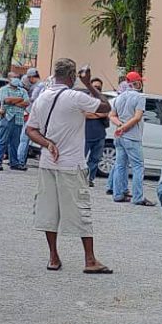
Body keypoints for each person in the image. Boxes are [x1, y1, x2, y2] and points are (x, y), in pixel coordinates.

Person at [25, 59, 113, 274]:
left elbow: (30, 130)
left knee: (49, 211)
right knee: (82, 210)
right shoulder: (75, 96)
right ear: (73, 76)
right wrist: (90, 84)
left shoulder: (42, 97)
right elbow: (105, 107)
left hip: (47, 162)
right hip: (72, 164)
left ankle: (53, 257)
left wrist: (48, 144)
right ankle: (90, 259)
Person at [111, 71, 153, 205]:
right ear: (136, 83)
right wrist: (125, 128)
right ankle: (138, 197)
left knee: (120, 166)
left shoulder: (118, 97)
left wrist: (120, 126)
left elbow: (111, 115)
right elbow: (137, 117)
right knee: (138, 166)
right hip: (133, 137)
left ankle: (118, 194)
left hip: (119, 136)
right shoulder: (140, 97)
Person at [0, 77, 29, 171]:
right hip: (6, 117)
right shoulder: (4, 89)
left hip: (18, 119)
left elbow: (26, 102)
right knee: (2, 141)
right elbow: (5, 100)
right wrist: (19, 99)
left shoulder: (23, 90)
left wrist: (13, 102)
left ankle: (14, 163)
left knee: (15, 142)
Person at [17, 68, 45, 166]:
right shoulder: (43, 85)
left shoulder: (38, 86)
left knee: (24, 139)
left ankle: (20, 160)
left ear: (31, 77)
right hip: (40, 116)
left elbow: (32, 100)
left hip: (32, 115)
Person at [84, 77, 108, 187]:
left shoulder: (103, 100)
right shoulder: (85, 99)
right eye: (95, 87)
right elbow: (84, 114)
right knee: (81, 158)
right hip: (85, 134)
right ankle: (79, 178)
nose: (97, 89)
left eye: (99, 87)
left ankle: (90, 179)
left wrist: (93, 114)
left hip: (100, 135)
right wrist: (98, 114)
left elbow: (106, 113)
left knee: (95, 159)